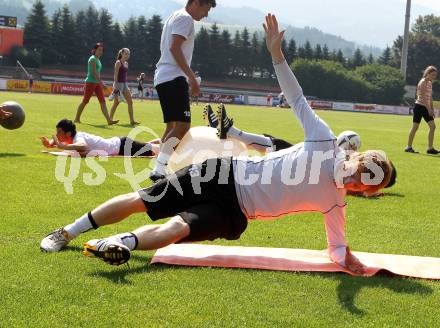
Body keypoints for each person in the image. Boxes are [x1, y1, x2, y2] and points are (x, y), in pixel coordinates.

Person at [41, 15, 394, 276]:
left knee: (177, 228)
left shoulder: (335, 203)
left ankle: (123, 243)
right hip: (221, 175)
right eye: (362, 173)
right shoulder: (324, 141)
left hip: (234, 215)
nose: (356, 182)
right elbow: (296, 96)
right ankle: (66, 232)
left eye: (364, 186)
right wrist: (276, 55)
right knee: (141, 201)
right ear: (358, 158)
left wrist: (350, 262)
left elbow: (336, 248)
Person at [150, 0, 217, 181]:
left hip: (164, 77)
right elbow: (174, 47)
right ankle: (159, 169)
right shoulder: (185, 18)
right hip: (173, 77)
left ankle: (160, 166)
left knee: (172, 126)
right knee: (182, 126)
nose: (206, 14)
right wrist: (192, 78)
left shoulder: (175, 15)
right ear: (196, 3)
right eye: (206, 8)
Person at [40, 119, 159, 157]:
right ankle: (158, 141)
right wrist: (49, 144)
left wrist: (62, 146)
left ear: (68, 133)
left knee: (156, 151)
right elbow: (58, 141)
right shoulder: (71, 137)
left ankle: (170, 144)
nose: (57, 135)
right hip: (119, 144)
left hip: (122, 146)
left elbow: (83, 147)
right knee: (149, 147)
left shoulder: (78, 138)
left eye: (59, 132)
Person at [74, 43, 118, 126]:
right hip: (90, 82)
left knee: (102, 101)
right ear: (94, 50)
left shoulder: (98, 60)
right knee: (85, 101)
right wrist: (102, 83)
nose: (101, 52)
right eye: (99, 50)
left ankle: (109, 120)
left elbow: (97, 73)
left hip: (96, 83)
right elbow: (94, 73)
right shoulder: (93, 59)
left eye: (102, 50)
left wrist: (99, 83)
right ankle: (76, 118)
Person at [405, 66, 439, 154]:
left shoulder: (430, 83)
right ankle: (408, 147)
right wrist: (429, 109)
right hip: (420, 107)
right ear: (427, 73)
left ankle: (430, 148)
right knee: (415, 127)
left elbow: (430, 97)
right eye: (432, 75)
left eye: (435, 75)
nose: (434, 76)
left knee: (432, 126)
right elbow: (423, 97)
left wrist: (432, 108)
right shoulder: (423, 82)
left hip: (426, 107)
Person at [109, 48, 139, 126]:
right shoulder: (118, 63)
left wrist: (127, 87)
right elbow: (115, 75)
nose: (127, 55)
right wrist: (115, 86)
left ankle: (132, 121)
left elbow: (124, 76)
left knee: (130, 102)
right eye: (126, 54)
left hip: (124, 84)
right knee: (116, 103)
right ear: (122, 54)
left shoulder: (126, 63)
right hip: (118, 84)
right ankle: (110, 119)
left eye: (128, 54)